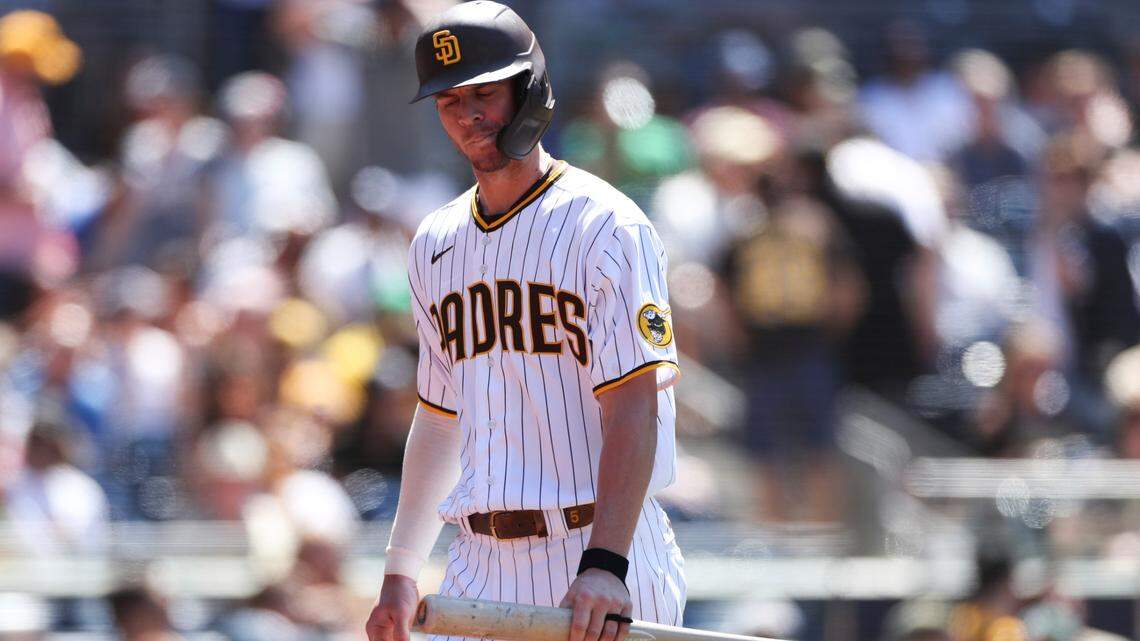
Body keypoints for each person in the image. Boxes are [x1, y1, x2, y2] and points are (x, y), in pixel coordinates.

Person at [365, 4, 685, 641]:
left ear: (530, 90)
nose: (468, 114)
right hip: (480, 559)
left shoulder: (607, 225)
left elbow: (633, 404)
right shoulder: (435, 241)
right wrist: (401, 568)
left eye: (484, 91)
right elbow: (438, 415)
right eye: (449, 99)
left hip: (596, 543)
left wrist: (606, 561)